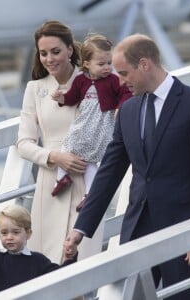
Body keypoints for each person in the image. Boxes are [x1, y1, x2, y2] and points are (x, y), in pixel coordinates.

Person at [65, 33, 190, 300]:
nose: (120, 81)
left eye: (125, 73)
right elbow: (109, 171)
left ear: (144, 64)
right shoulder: (127, 111)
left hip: (182, 231)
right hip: (137, 229)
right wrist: (81, 228)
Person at [16, 20, 104, 264]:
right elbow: (24, 142)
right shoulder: (35, 89)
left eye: (55, 51)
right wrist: (54, 156)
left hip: (88, 184)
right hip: (50, 187)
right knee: (48, 266)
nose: (49, 58)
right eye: (43, 53)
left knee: (82, 269)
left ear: (70, 50)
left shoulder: (94, 81)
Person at [51, 34, 131, 210]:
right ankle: (63, 179)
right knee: (67, 147)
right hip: (84, 124)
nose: (107, 68)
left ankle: (88, 193)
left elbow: (125, 93)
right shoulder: (81, 80)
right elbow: (72, 97)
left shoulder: (113, 80)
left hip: (101, 125)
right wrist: (62, 98)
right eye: (101, 64)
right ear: (86, 64)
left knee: (90, 162)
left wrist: (120, 107)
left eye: (109, 63)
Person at [0, 204, 77, 296]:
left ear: (28, 233)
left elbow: (59, 275)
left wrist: (70, 258)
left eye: (15, 232)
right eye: (4, 233)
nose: (9, 237)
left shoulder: (38, 260)